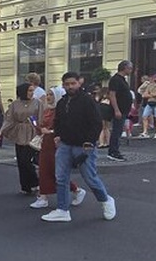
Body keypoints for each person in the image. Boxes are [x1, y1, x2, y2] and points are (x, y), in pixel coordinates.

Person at [42, 71, 116, 223]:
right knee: (61, 177)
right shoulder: (62, 102)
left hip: (83, 146)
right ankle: (62, 210)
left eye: (72, 83)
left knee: (90, 177)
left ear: (79, 83)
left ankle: (106, 200)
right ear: (63, 85)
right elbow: (59, 121)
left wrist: (89, 143)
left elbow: (96, 123)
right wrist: (58, 135)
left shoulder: (87, 101)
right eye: (67, 84)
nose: (70, 86)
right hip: (65, 144)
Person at [30, 87, 85, 209]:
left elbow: (63, 127)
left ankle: (76, 190)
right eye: (48, 94)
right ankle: (43, 197)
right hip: (46, 143)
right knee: (44, 169)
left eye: (51, 95)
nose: (48, 97)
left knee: (56, 171)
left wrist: (49, 131)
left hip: (56, 144)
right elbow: (41, 125)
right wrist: (38, 127)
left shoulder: (61, 111)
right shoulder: (47, 110)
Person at [0, 83, 40, 195]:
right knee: (21, 160)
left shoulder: (37, 103)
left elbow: (41, 117)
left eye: (32, 91)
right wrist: (1, 131)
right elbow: (9, 119)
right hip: (19, 132)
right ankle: (25, 186)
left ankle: (35, 182)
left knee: (26, 160)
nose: (31, 93)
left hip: (32, 132)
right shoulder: (15, 104)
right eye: (29, 91)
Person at [107, 60, 134, 161]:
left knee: (118, 131)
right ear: (125, 68)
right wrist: (116, 110)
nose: (131, 70)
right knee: (116, 131)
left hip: (123, 109)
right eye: (130, 68)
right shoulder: (116, 79)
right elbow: (112, 95)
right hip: (119, 110)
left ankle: (115, 150)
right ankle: (113, 152)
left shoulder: (122, 79)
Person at [139, 73, 156, 139]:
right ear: (154, 78)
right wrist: (152, 95)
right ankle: (145, 132)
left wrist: (150, 94)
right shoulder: (150, 85)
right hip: (150, 102)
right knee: (144, 116)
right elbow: (144, 95)